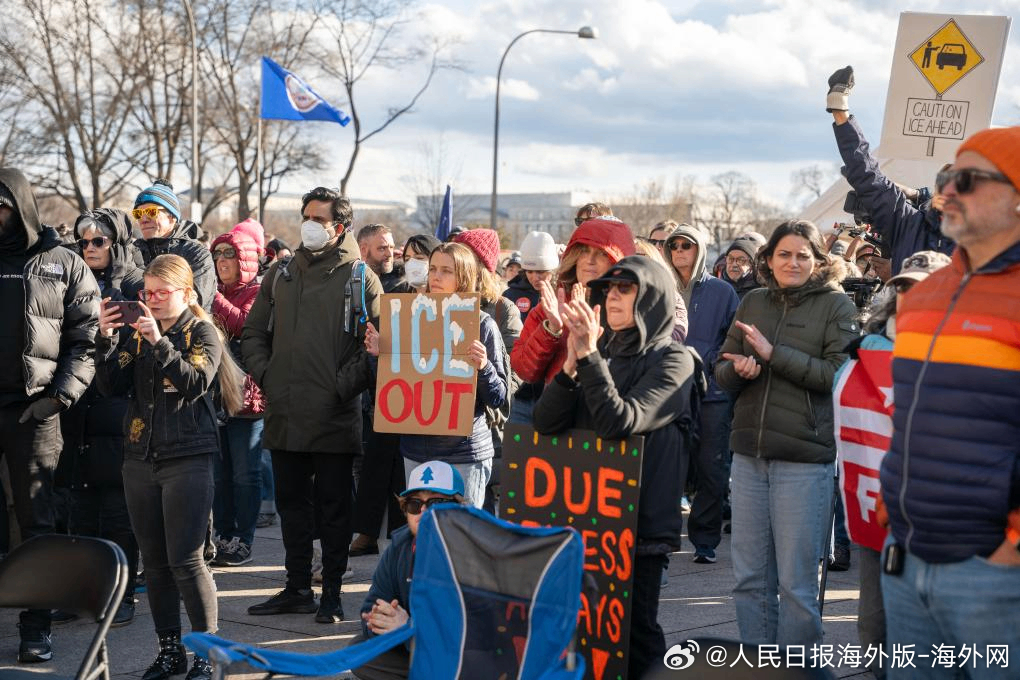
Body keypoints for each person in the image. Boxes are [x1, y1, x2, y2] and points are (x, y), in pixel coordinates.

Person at [879, 127, 1020, 678]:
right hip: (906, 559)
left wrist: (1012, 550)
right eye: (945, 180)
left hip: (994, 575)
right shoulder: (921, 298)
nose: (949, 191)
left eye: (968, 179)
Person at [533, 255, 699, 680]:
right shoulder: (598, 349)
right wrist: (571, 365)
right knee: (587, 632)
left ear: (652, 298)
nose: (612, 297)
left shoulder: (675, 360)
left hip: (640, 524)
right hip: (588, 517)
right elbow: (546, 423)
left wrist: (588, 356)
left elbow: (619, 423)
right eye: (608, 289)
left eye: (625, 289)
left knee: (636, 633)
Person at [96, 254, 244, 680]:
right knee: (155, 563)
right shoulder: (138, 330)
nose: (153, 300)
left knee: (187, 560)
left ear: (186, 293)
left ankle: (205, 651)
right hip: (140, 457)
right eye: (148, 292)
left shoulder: (202, 331)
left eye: (163, 292)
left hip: (188, 457)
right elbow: (110, 385)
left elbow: (195, 383)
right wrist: (105, 338)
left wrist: (159, 341)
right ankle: (169, 651)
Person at [715, 220, 859, 646]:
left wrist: (774, 355)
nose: (792, 262)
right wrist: (737, 370)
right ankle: (759, 672)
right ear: (769, 259)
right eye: (784, 254)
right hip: (748, 457)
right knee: (748, 582)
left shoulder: (837, 306)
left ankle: (801, 673)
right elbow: (721, 371)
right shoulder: (753, 301)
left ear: (817, 261)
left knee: (797, 588)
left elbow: (838, 376)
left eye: (802, 255)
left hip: (804, 461)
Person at [242, 187, 381, 623]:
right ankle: (296, 587)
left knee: (335, 510)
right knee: (291, 506)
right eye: (306, 216)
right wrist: (269, 375)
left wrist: (341, 387)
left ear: (340, 227)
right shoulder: (280, 274)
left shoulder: (361, 277)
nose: (309, 225)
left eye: (318, 219)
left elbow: (375, 347)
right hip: (284, 412)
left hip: (334, 416)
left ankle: (333, 594)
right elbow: (252, 334)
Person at [833, 250, 950, 680]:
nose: (910, 295)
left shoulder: (964, 348)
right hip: (876, 499)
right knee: (876, 614)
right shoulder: (866, 347)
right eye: (903, 287)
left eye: (922, 288)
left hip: (941, 509)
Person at [0, 168, 100, 663]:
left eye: (0, 207)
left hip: (34, 411)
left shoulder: (64, 263)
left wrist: (59, 397)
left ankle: (35, 627)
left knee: (37, 520)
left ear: (20, 207)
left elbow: (87, 339)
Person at [365, 242, 508, 509]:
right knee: (424, 534)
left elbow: (499, 397)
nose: (436, 277)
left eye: (446, 270)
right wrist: (379, 358)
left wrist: (484, 367)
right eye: (433, 269)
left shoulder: (482, 324)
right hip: (417, 453)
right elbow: (389, 388)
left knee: (461, 538)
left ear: (464, 276)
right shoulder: (408, 318)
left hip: (465, 454)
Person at [56, 209, 144, 627]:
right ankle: (81, 592)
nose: (89, 248)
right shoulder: (69, 281)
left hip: (117, 404)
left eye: (99, 241)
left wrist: (108, 338)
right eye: (83, 241)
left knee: (117, 508)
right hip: (77, 405)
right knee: (79, 506)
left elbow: (135, 351)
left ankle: (122, 594)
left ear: (117, 243)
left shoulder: (135, 285)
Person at [826, 65, 954, 274]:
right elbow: (869, 176)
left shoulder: (986, 240)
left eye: (966, 184)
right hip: (904, 306)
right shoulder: (909, 223)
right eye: (947, 182)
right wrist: (840, 113)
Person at [664, 224, 739, 564]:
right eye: (674, 245)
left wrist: (711, 361)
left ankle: (705, 540)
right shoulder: (660, 287)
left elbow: (734, 337)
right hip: (668, 392)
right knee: (669, 468)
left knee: (712, 467)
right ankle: (662, 540)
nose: (680, 250)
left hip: (712, 392)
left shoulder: (723, 292)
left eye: (687, 245)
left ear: (701, 250)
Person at [350, 461, 467, 680]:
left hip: (463, 656)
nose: (423, 511)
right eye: (414, 504)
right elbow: (371, 607)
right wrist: (380, 621)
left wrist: (407, 628)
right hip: (416, 648)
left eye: (436, 503)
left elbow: (466, 633)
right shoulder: (400, 546)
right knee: (360, 651)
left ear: (458, 508)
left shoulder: (471, 552)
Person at [511, 217, 636, 386]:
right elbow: (524, 370)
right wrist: (552, 330)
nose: (589, 260)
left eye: (601, 253)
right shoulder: (553, 304)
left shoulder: (631, 308)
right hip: (558, 407)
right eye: (584, 250)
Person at [209, 221, 266, 567]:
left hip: (247, 396)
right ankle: (223, 535)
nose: (220, 261)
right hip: (215, 394)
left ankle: (243, 539)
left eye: (228, 254)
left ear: (244, 259)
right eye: (216, 255)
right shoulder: (214, 288)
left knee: (246, 473)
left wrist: (211, 296)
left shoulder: (258, 292)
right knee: (220, 473)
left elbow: (241, 324)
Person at [131, 180, 216, 310]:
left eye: (151, 212)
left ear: (172, 217)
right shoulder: (132, 251)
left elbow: (195, 305)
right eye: (138, 213)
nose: (144, 219)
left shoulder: (197, 254)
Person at [503, 231, 559, 426]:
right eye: (530, 271)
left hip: (554, 394)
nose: (536, 277)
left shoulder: (563, 295)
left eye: (542, 272)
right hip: (520, 396)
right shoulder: (510, 295)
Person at [358, 224, 404, 292]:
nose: (389, 254)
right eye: (382, 248)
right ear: (363, 250)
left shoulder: (402, 286)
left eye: (391, 248)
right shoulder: (346, 283)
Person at [721, 236, 762, 300]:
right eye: (730, 259)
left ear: (751, 264)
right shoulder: (717, 287)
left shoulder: (760, 291)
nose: (734, 264)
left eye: (741, 260)